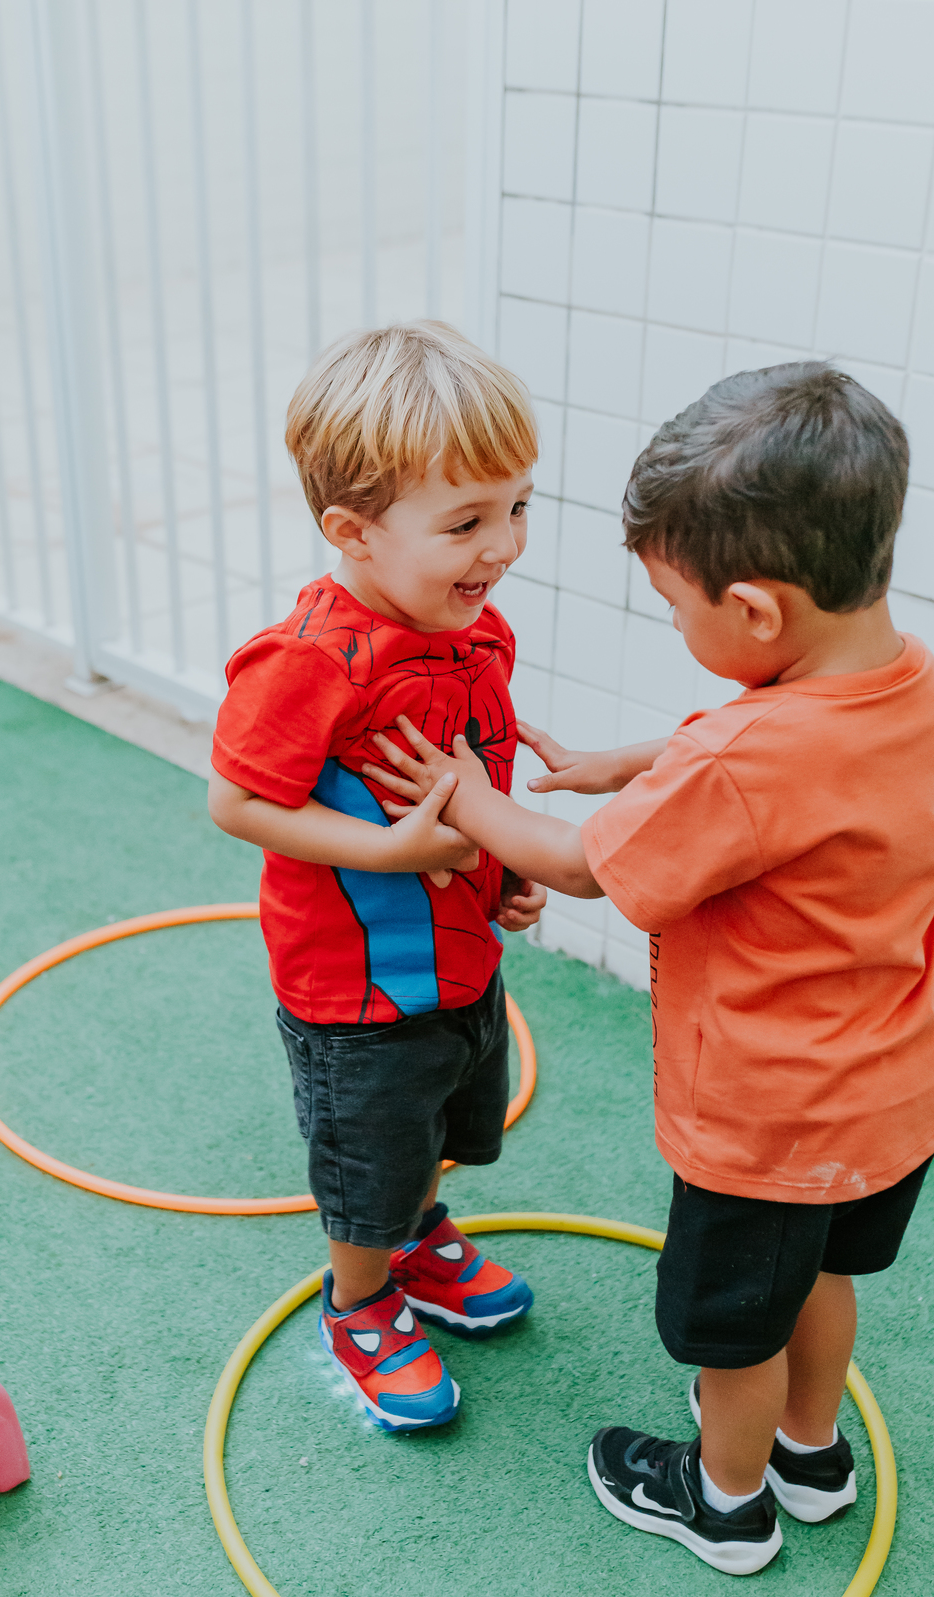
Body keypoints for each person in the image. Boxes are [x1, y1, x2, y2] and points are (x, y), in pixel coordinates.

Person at [367, 363, 934, 1571]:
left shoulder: (744, 766)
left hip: (766, 1121)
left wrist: (471, 798)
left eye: (676, 608)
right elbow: (759, 757)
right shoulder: (909, 680)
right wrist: (629, 762)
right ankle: (812, 1453)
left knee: (732, 1329)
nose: (679, 630)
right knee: (823, 1280)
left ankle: (723, 1500)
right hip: (890, 1094)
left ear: (753, 614)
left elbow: (582, 866)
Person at [208, 321, 545, 1433]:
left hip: (461, 960)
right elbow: (237, 801)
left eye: (516, 508)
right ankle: (362, 1300)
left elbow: (468, 769)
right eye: (466, 522)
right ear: (352, 531)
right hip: (356, 991)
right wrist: (394, 854)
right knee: (369, 1153)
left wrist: (498, 879)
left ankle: (420, 1228)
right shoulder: (310, 660)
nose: (503, 545)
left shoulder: (471, 630)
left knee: (446, 1119)